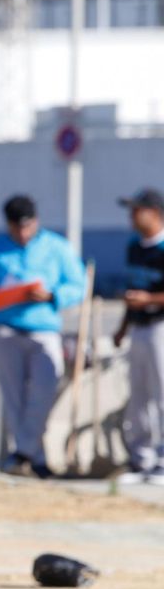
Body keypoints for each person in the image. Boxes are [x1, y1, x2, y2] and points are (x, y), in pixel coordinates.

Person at [0, 195, 86, 478]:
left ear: (36, 221)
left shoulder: (56, 247)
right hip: (4, 329)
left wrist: (52, 295)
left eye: (27, 226)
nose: (23, 233)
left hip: (43, 327)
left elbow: (78, 284)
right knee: (14, 397)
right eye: (16, 227)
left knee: (43, 392)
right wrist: (4, 297)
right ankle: (36, 457)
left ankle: (24, 451)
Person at [113, 188, 164, 485]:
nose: (131, 217)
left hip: (160, 325)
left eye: (137, 210)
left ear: (155, 213)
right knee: (139, 396)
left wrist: (149, 300)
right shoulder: (134, 246)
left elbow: (146, 295)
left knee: (162, 394)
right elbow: (133, 290)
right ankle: (141, 457)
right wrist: (122, 328)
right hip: (140, 328)